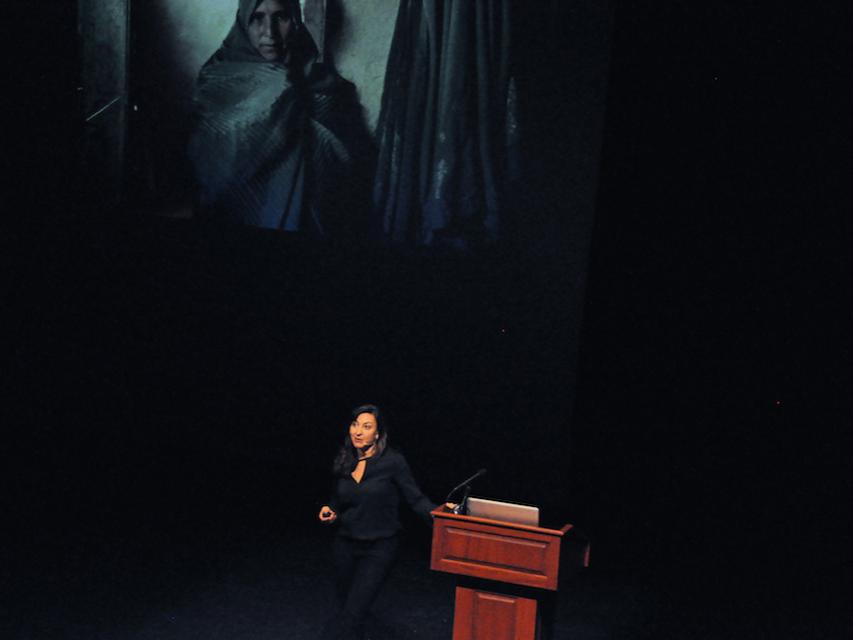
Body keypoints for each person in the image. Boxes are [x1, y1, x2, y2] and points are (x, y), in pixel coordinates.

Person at [188, 0, 372, 235]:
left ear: (295, 20)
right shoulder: (218, 79)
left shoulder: (322, 84)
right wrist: (282, 98)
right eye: (257, 18)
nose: (270, 32)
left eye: (281, 17)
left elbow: (347, 165)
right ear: (244, 22)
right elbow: (210, 164)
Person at [318, 404, 443, 640]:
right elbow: (338, 497)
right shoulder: (345, 458)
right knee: (348, 609)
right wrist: (331, 509)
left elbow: (415, 498)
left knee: (353, 612)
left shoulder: (393, 462)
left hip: (379, 547)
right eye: (355, 425)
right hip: (344, 545)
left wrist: (444, 518)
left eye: (366, 427)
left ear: (377, 433)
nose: (358, 432)